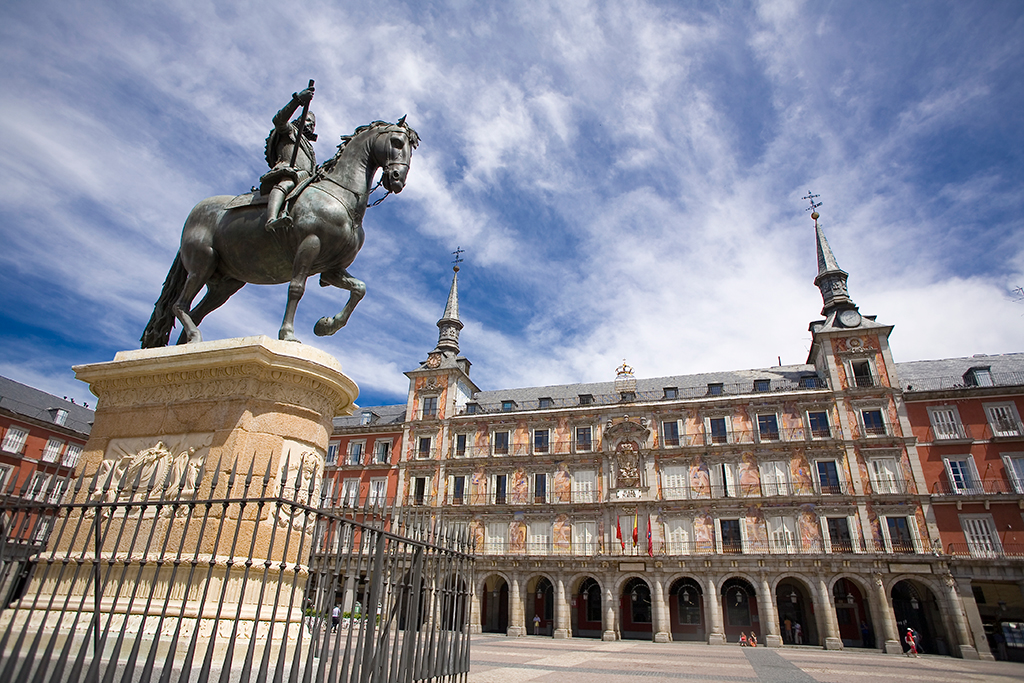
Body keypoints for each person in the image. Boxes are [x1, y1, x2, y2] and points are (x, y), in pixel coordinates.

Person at [261, 87, 318, 231]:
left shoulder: (310, 149)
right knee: (287, 183)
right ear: (300, 119)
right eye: (308, 121)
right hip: (289, 172)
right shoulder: (290, 130)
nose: (311, 125)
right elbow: (278, 120)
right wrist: (298, 100)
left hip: (304, 180)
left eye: (313, 124)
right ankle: (272, 219)